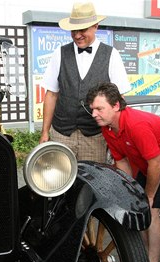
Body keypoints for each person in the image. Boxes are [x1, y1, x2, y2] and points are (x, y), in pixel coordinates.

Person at [86, 82, 160, 262]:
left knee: (151, 212)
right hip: (149, 163)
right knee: (138, 207)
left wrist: (150, 196)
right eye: (92, 109)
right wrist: (127, 192)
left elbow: (157, 164)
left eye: (99, 109)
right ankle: (143, 256)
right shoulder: (107, 127)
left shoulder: (136, 125)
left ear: (116, 106)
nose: (94, 114)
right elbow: (122, 162)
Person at [40, 1, 131, 163]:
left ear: (95, 26)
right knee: (59, 182)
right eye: (73, 30)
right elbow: (51, 94)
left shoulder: (111, 55)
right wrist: (45, 132)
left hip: (95, 137)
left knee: (93, 182)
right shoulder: (59, 53)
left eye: (82, 30)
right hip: (61, 134)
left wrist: (117, 136)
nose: (77, 35)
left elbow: (119, 100)